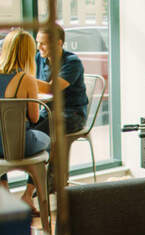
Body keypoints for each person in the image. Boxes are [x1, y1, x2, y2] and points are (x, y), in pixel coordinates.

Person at [0, 29, 51, 214]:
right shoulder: (26, 79)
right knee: (48, 138)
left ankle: (5, 193)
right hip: (19, 145)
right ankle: (28, 196)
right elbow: (35, 118)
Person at [33, 23, 88, 135]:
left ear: (59, 43)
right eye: (37, 42)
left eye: (43, 43)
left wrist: (25, 79)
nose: (38, 47)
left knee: (36, 132)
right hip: (48, 111)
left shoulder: (72, 62)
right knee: (25, 127)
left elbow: (51, 89)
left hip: (72, 114)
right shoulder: (39, 57)